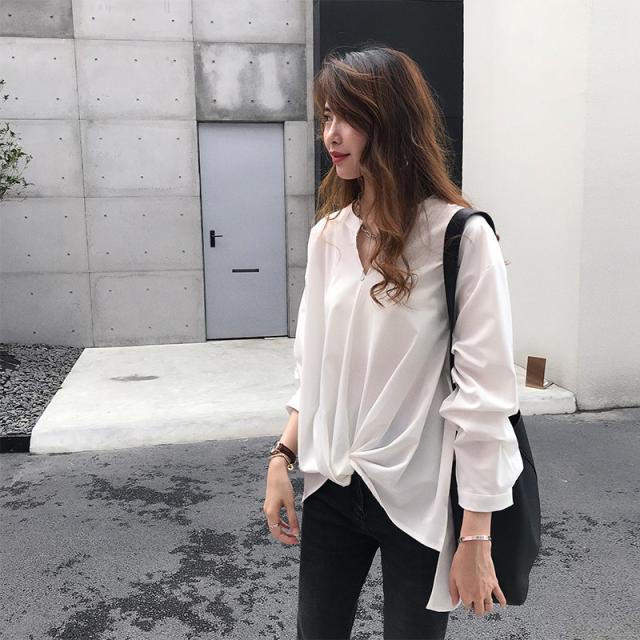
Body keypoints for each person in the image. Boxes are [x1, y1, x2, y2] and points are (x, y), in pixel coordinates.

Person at [263, 45, 524, 640]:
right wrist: (282, 457)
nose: (331, 134)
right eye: (326, 116)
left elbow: (485, 397)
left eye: (348, 117)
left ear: (392, 121)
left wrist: (476, 536)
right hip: (332, 484)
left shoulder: (460, 237)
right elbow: (314, 367)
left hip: (419, 494)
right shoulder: (329, 236)